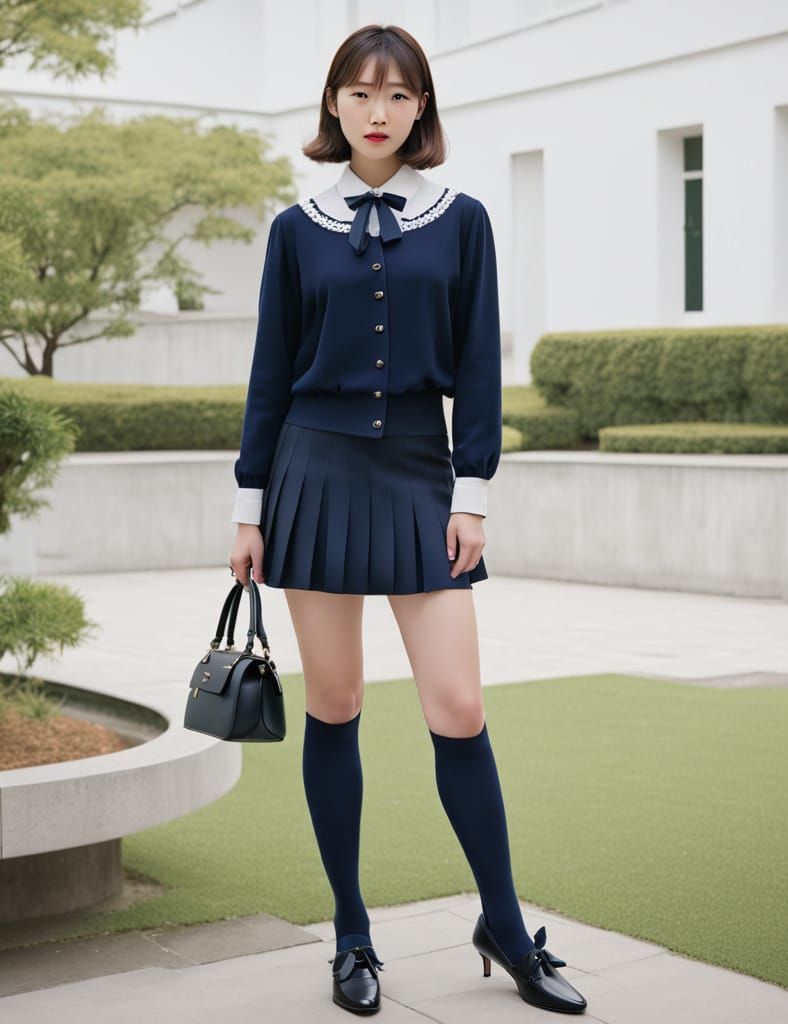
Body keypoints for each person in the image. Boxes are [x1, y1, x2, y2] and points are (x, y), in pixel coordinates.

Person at [228, 23, 587, 1017]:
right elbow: (268, 374)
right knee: (334, 702)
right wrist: (248, 505)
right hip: (312, 470)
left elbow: (477, 363)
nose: (378, 111)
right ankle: (351, 932)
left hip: (422, 476)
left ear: (421, 107)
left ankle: (505, 927)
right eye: (359, 93)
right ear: (333, 106)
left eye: (397, 95)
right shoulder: (296, 226)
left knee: (457, 706)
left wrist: (472, 490)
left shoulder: (461, 218)